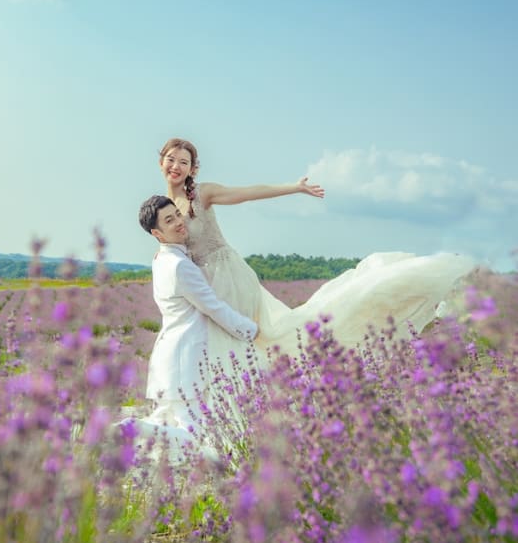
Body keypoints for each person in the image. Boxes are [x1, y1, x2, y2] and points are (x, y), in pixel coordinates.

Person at [157, 137, 476, 376]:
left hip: (227, 276)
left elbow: (248, 192)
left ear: (192, 169)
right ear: (162, 162)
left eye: (183, 162)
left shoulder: (203, 194)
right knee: (226, 342)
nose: (176, 166)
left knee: (245, 339)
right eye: (171, 159)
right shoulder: (162, 209)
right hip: (202, 283)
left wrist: (292, 187)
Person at [128, 194, 258, 461]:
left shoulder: (160, 261)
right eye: (169, 220)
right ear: (157, 233)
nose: (178, 221)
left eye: (177, 214)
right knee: (201, 440)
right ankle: (132, 428)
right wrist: (251, 330)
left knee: (172, 429)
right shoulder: (179, 267)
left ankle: (136, 432)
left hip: (170, 359)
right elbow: (214, 307)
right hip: (185, 361)